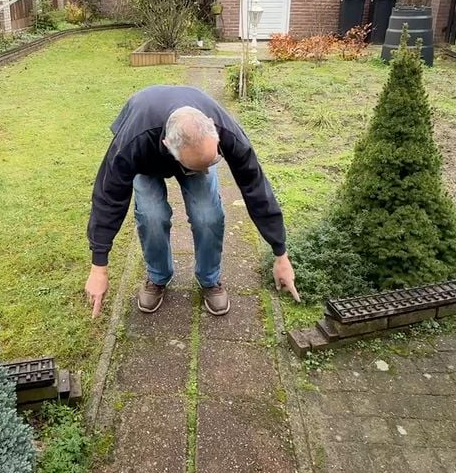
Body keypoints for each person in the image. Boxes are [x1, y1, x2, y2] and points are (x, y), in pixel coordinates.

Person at [84, 85, 299, 318]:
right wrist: (99, 267)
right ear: (167, 145)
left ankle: (210, 280)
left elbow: (256, 188)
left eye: (212, 160)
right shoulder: (132, 143)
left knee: (208, 216)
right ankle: (158, 277)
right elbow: (108, 197)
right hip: (147, 157)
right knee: (151, 215)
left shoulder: (224, 129)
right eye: (200, 165)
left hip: (191, 150)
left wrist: (281, 253)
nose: (207, 169)